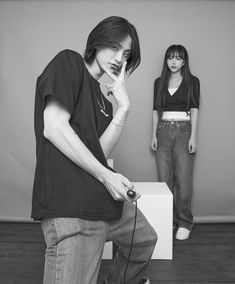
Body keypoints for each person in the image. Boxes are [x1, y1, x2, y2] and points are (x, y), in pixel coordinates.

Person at [31, 16, 157, 284]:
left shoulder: (104, 101)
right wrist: (107, 175)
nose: (118, 58)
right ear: (97, 42)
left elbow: (98, 151)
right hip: (70, 207)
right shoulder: (68, 63)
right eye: (113, 47)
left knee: (145, 239)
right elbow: (53, 127)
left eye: (126, 54)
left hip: (102, 200)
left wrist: (123, 109)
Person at [151, 44, 200, 241]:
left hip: (183, 130)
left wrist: (193, 136)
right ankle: (167, 220)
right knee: (164, 180)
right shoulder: (159, 82)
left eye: (178, 58)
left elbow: (195, 109)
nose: (173, 61)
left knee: (184, 180)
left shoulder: (192, 81)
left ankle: (185, 222)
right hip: (163, 130)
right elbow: (155, 110)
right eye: (170, 57)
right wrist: (153, 135)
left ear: (184, 61)